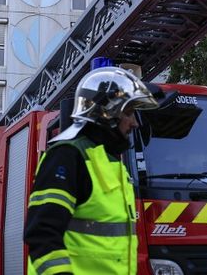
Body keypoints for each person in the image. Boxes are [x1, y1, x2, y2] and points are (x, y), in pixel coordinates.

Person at [24, 66, 159, 275]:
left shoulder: (111, 162)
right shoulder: (68, 156)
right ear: (108, 112)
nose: (134, 123)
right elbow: (41, 235)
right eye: (129, 113)